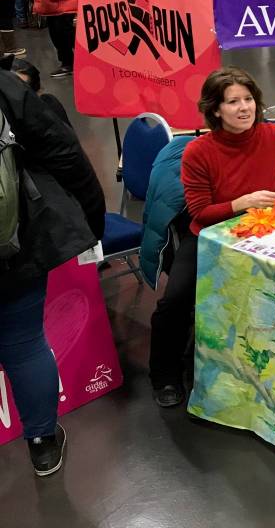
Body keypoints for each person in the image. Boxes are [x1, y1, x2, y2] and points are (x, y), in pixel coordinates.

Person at [150, 67, 275, 407]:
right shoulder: (199, 152)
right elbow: (200, 212)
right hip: (211, 236)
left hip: (268, 227)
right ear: (215, 109)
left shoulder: (274, 135)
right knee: (174, 301)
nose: (244, 108)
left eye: (248, 100)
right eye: (233, 102)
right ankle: (164, 374)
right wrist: (240, 203)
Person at [0, 68, 105, 477]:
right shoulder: (7, 87)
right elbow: (64, 154)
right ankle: (42, 443)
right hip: (12, 247)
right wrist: (91, 220)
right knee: (25, 344)